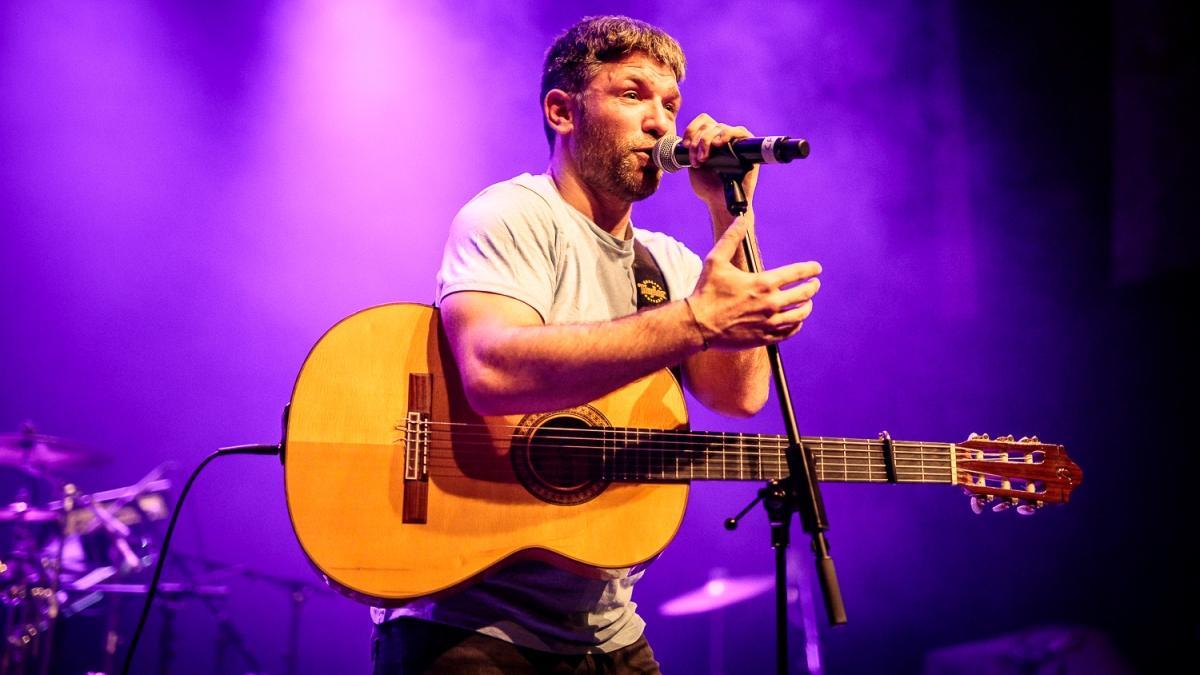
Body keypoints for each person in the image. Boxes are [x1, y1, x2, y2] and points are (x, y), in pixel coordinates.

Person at [371, 15, 822, 674]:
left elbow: (740, 394)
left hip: (608, 634)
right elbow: (491, 370)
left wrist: (731, 211)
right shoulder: (513, 215)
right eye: (633, 94)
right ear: (563, 110)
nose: (662, 122)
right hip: (465, 626)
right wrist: (696, 318)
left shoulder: (665, 263)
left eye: (670, 103)